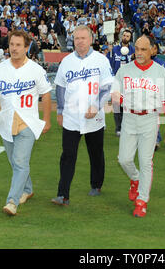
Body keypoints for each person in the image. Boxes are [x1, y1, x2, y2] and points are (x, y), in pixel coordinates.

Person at [0, 30, 52, 216]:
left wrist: (46, 119)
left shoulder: (36, 69)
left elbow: (46, 94)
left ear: (26, 47)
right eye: (12, 44)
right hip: (6, 122)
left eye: (18, 45)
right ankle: (27, 190)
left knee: (20, 162)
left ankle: (12, 201)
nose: (14, 48)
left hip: (28, 122)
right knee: (15, 163)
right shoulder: (0, 68)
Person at [111, 35, 165, 218]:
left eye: (143, 49)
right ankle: (135, 179)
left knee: (146, 162)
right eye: (137, 48)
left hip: (150, 119)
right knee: (124, 159)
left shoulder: (160, 72)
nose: (139, 53)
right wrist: (119, 97)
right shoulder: (124, 70)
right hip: (130, 117)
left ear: (153, 51)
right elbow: (115, 94)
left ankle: (142, 201)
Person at [52, 25, 113, 206]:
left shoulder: (101, 60)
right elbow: (60, 88)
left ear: (91, 40)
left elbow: (108, 87)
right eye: (76, 38)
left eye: (83, 38)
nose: (79, 41)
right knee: (68, 155)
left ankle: (96, 184)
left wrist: (96, 106)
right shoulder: (67, 61)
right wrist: (60, 111)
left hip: (94, 116)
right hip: (71, 117)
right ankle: (63, 195)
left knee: (95, 153)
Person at [110, 29, 135, 136]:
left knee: (127, 105)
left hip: (129, 82)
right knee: (116, 105)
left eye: (127, 36)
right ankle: (118, 128)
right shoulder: (114, 49)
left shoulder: (133, 50)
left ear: (130, 38)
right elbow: (110, 65)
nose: (125, 37)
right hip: (117, 80)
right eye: (124, 35)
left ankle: (126, 126)